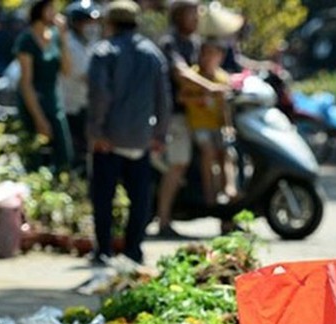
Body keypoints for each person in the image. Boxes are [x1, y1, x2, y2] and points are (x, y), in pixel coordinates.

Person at [86, 0, 170, 265]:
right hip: (140, 139)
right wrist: (160, 134)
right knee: (140, 198)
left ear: (110, 23)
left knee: (103, 197)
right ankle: (134, 249)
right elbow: (163, 98)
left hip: (109, 139)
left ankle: (104, 249)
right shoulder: (153, 54)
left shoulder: (104, 52)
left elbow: (99, 95)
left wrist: (96, 131)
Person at [154, 0, 230, 238]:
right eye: (191, 13)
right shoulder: (170, 43)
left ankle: (226, 220)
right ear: (178, 16)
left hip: (201, 115)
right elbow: (181, 73)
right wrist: (210, 88)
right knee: (179, 163)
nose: (196, 18)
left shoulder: (197, 43)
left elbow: (213, 65)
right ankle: (164, 220)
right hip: (177, 115)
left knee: (224, 157)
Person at [15, 0, 74, 171]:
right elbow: (25, 83)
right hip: (32, 103)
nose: (54, 12)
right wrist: (39, 118)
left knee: (64, 157)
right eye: (50, 8)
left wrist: (63, 38)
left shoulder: (55, 36)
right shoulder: (26, 40)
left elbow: (67, 70)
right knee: (34, 159)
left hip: (53, 101)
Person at [180, 39, 235, 205]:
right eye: (205, 53)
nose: (208, 58)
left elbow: (226, 107)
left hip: (216, 125)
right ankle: (209, 193)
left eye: (213, 54)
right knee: (208, 152)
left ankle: (230, 189)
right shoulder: (193, 75)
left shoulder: (223, 78)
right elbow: (181, 97)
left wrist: (228, 126)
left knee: (227, 153)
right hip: (198, 125)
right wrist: (200, 97)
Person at [61, 0, 102, 172]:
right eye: (88, 22)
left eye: (94, 22)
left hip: (86, 105)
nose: (92, 26)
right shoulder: (70, 45)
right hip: (72, 107)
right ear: (76, 23)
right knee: (77, 151)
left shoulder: (92, 43)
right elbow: (88, 77)